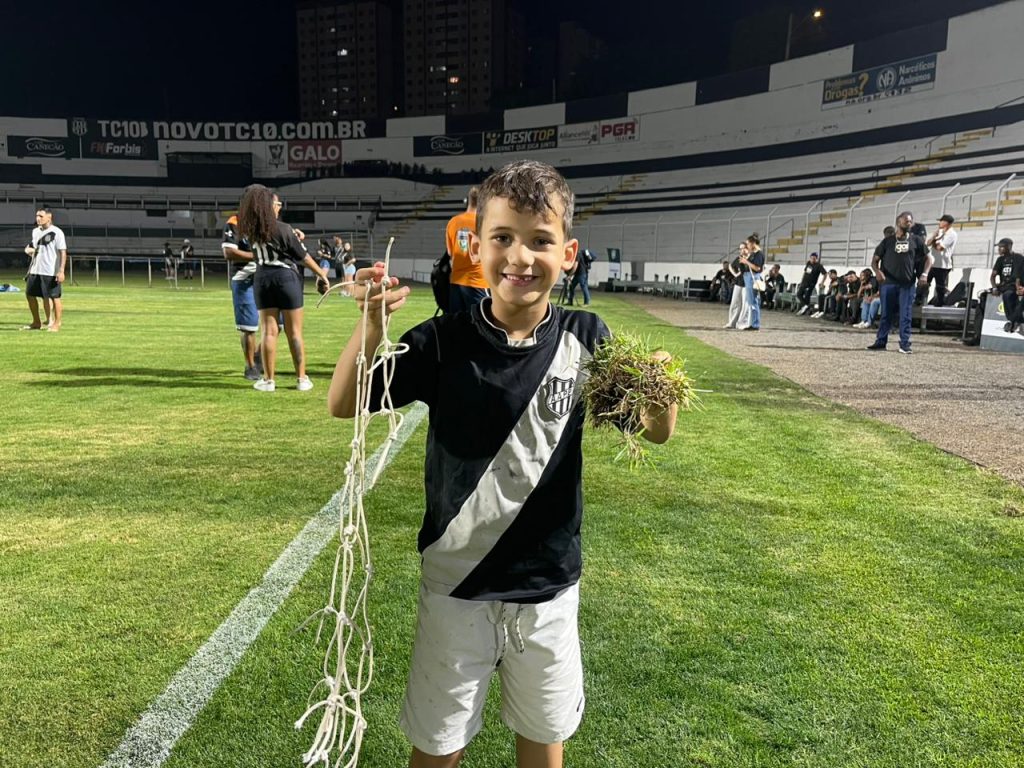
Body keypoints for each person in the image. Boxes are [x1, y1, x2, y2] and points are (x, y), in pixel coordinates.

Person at [328, 160, 677, 768]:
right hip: (456, 583)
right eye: (503, 238)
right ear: (477, 247)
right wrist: (372, 322)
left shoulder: (588, 339)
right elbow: (345, 401)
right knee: (438, 745)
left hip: (547, 586)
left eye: (540, 240)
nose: (521, 256)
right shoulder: (443, 338)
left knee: (542, 740)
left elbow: (656, 431)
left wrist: (660, 384)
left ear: (567, 253)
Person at [239, 185, 330, 392]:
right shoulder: (284, 228)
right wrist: (321, 274)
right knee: (294, 332)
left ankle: (269, 380)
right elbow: (303, 257)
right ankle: (301, 379)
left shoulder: (252, 231)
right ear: (269, 206)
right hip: (286, 279)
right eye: (277, 204)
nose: (279, 207)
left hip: (262, 280)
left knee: (269, 332)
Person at [867, 211, 931, 354]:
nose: (909, 223)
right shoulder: (888, 241)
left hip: (907, 284)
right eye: (906, 221)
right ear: (898, 222)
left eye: (910, 221)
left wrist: (924, 274)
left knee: (905, 315)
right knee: (886, 314)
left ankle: (905, 344)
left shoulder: (916, 240)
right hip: (888, 283)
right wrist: (877, 272)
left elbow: (929, 258)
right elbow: (874, 260)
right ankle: (881, 341)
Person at [222, 214, 262, 380]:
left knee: (278, 323)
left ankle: (258, 355)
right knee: (249, 327)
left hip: (267, 276)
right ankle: (251, 365)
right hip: (244, 277)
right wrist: (257, 257)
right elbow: (228, 252)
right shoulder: (235, 222)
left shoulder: (268, 222)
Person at [23, 206, 67, 332]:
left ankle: (56, 324)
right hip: (35, 270)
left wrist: (61, 270)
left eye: (41, 216)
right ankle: (36, 322)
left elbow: (63, 252)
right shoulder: (35, 231)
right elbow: (34, 247)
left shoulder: (57, 232)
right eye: (37, 216)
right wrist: (30, 251)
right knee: (29, 295)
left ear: (49, 217)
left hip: (50, 271)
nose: (38, 218)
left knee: (54, 297)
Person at [447, 186, 489, 312]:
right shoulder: (485, 222)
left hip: (456, 281)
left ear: (468, 200)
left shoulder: (454, 222)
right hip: (478, 281)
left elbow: (451, 253)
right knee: (483, 323)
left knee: (456, 323)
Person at [990, 237, 1024, 332]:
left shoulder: (1018, 258)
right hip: (1003, 286)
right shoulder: (1000, 259)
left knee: (1008, 295)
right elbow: (992, 276)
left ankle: (1013, 320)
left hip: (1013, 286)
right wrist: (994, 288)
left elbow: (1018, 275)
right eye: (999, 247)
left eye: (1001, 247)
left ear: (1009, 247)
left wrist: (1018, 287)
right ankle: (978, 334)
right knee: (983, 297)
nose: (999, 249)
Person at [924, 214, 957, 306]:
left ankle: (940, 302)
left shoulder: (952, 234)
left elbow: (940, 248)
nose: (940, 223)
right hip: (933, 263)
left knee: (940, 286)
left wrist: (934, 242)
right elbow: (928, 243)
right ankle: (921, 300)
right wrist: (934, 237)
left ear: (947, 223)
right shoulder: (939, 232)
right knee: (925, 283)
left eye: (942, 221)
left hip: (943, 265)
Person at [738, 233, 764, 330]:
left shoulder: (759, 254)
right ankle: (753, 323)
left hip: (752, 278)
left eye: (748, 243)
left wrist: (746, 262)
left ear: (753, 243)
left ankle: (755, 324)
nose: (747, 246)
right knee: (751, 301)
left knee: (753, 301)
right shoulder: (753, 254)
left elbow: (757, 268)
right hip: (748, 277)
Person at [723, 243, 750, 329]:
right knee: (735, 303)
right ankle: (732, 322)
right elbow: (731, 266)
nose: (741, 250)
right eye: (740, 249)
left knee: (745, 305)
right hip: (738, 283)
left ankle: (742, 323)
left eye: (743, 248)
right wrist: (735, 274)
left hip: (747, 284)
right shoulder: (738, 258)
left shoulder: (750, 258)